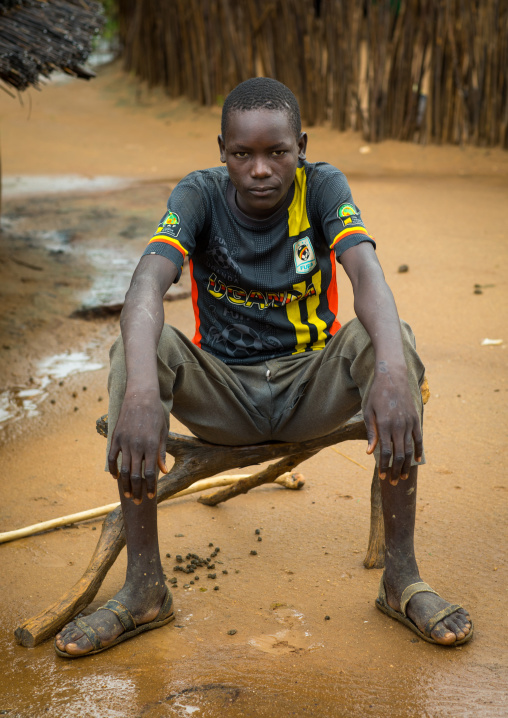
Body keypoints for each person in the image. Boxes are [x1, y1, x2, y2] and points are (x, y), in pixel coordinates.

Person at [55, 77, 472, 657]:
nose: (259, 169)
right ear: (221, 150)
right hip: (223, 394)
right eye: (241, 153)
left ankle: (401, 578)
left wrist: (395, 372)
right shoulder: (197, 196)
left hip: (310, 390)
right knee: (136, 352)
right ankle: (144, 589)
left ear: (300, 145)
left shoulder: (322, 187)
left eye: (276, 151)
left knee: (389, 340)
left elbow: (366, 272)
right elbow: (148, 283)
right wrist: (143, 394)